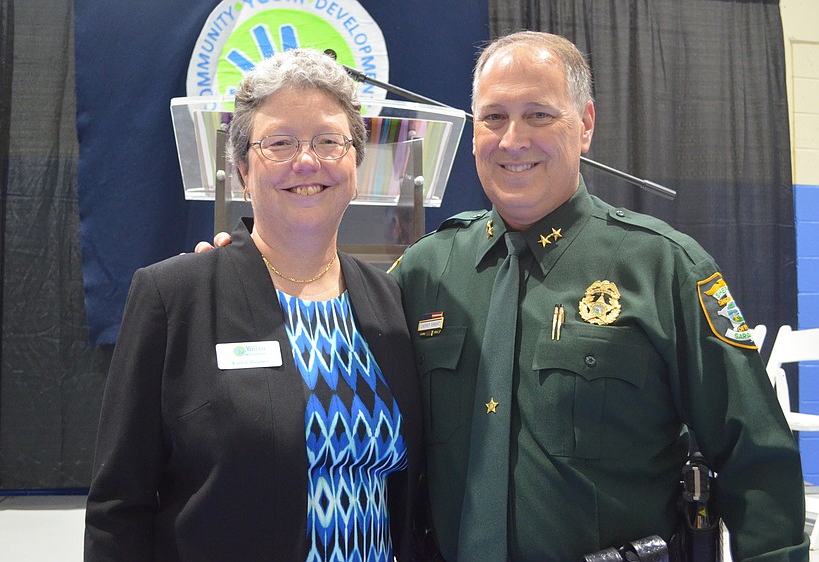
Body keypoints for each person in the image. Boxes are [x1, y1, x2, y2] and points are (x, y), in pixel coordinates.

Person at [199, 33, 809, 560]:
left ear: (586, 124)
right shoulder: (426, 271)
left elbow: (757, 458)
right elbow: (321, 334)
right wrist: (247, 274)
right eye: (493, 118)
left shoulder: (662, 268)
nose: (513, 139)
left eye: (539, 115)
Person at [84, 48, 423, 562]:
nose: (306, 161)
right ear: (243, 170)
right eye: (279, 143)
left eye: (329, 141)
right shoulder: (176, 297)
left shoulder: (389, 298)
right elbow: (118, 506)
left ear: (356, 162)